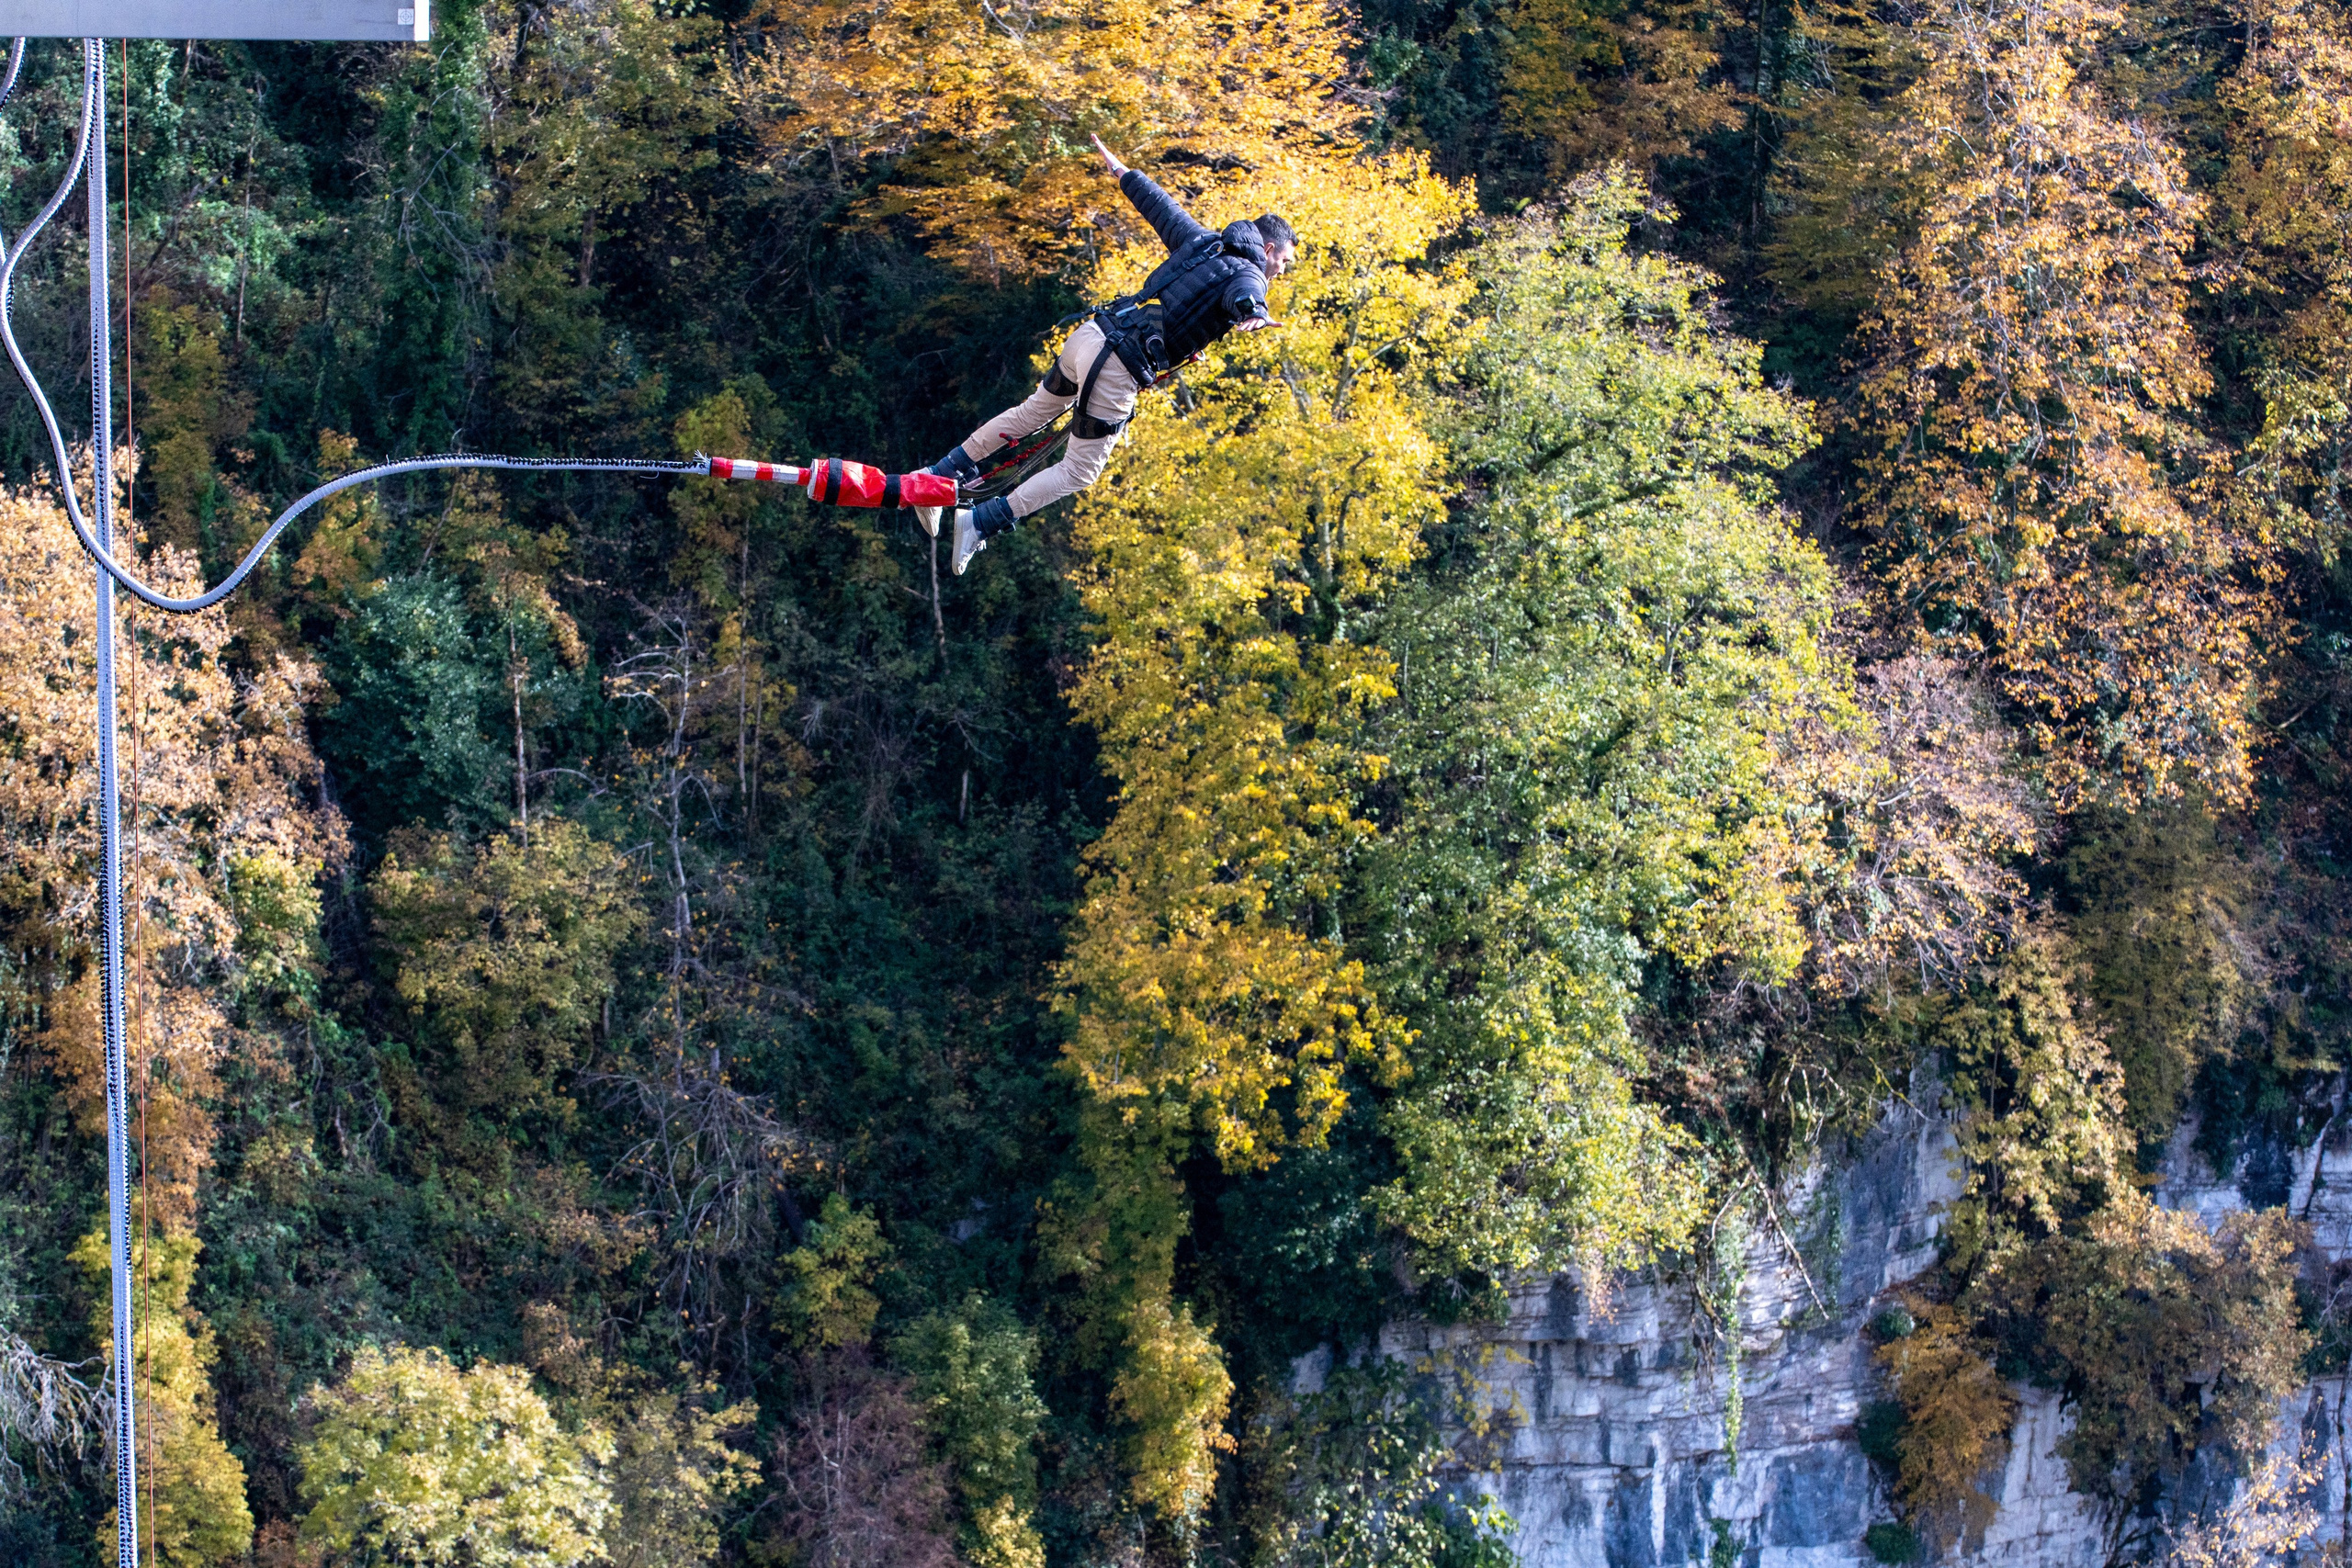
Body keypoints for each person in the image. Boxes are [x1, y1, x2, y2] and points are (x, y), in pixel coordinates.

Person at [921, 133, 1295, 574]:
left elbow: (1158, 206)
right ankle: (981, 522)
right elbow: (1247, 295)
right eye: (1284, 262)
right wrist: (1254, 312)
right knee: (1080, 471)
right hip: (1117, 366)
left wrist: (1124, 173)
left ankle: (937, 477)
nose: (1281, 271)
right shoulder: (1251, 275)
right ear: (1268, 249)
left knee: (1031, 413)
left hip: (1093, 335)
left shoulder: (1203, 241)